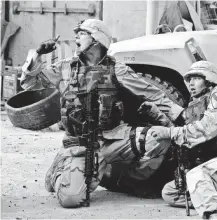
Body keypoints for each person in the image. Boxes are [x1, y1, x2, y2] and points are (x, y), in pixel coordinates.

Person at [19, 19, 184, 208]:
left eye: (81, 33)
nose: (76, 37)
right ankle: (59, 170)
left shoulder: (116, 68)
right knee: (71, 199)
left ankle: (125, 182)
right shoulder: (66, 68)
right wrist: (38, 54)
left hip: (113, 138)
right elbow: (30, 84)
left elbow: (150, 92)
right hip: (79, 144)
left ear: (96, 39)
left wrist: (179, 113)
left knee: (159, 139)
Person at [149, 61, 217, 219]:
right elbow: (183, 123)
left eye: (196, 78)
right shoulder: (196, 105)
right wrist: (156, 113)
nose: (191, 83)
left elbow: (207, 127)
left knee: (197, 176)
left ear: (209, 79)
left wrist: (168, 132)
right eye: (189, 80)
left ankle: (216, 215)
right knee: (170, 192)